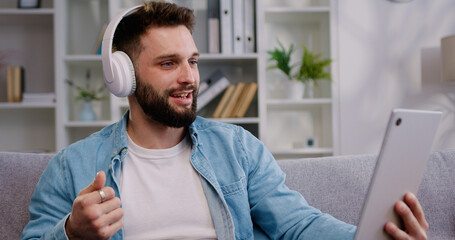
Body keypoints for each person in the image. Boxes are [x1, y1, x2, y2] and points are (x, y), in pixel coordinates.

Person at [21, 1, 429, 239]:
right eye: (168, 63)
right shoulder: (72, 166)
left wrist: (369, 237)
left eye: (193, 61)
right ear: (122, 75)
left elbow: (298, 225)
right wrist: (71, 233)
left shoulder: (237, 148)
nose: (189, 77)